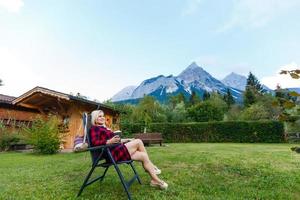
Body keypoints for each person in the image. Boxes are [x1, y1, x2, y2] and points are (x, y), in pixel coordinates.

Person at [90, 110, 168, 190]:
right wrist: (109, 141)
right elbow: (94, 142)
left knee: (143, 156)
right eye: (99, 116)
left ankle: (155, 181)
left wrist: (128, 139)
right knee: (139, 141)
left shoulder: (104, 128)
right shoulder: (94, 129)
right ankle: (152, 166)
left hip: (117, 150)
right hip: (112, 154)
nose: (102, 117)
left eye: (103, 116)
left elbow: (117, 140)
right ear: (95, 119)